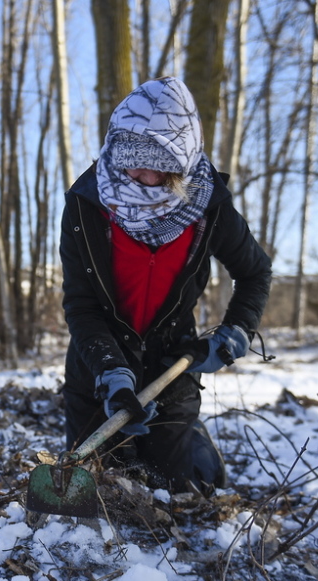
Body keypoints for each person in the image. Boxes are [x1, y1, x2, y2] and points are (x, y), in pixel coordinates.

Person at [59, 77, 271, 494]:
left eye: (160, 165)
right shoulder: (85, 204)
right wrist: (110, 371)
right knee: (95, 489)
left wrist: (236, 331)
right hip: (98, 362)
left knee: (171, 490)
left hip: (172, 364)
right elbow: (81, 304)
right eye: (132, 161)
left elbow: (255, 272)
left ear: (182, 164)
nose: (142, 176)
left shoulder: (208, 206)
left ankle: (195, 448)